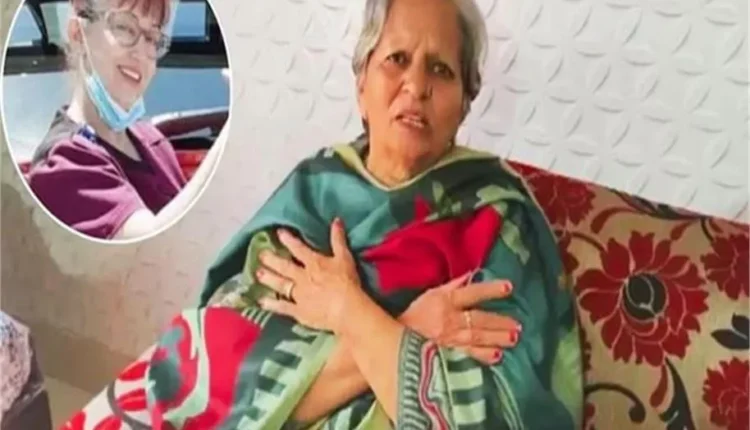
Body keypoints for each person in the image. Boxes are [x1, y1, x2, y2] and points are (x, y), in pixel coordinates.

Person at [144, 0, 583, 428]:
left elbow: (509, 409)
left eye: (441, 69)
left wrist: (346, 312)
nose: (416, 86)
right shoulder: (313, 192)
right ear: (361, 86)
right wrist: (404, 327)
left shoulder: (498, 216)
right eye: (397, 59)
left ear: (464, 104)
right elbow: (206, 380)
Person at [24, 0, 224, 241]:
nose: (141, 52)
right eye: (124, 27)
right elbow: (153, 243)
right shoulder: (63, 164)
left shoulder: (153, 141)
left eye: (152, 38)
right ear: (78, 34)